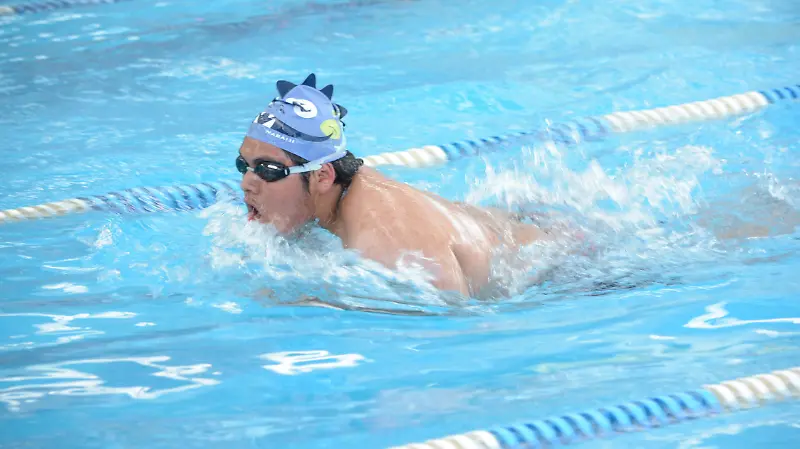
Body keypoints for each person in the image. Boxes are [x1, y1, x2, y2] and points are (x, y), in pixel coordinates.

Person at [236, 73, 552, 297]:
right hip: (513, 227)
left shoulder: (386, 240)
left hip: (563, 269)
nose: (247, 183)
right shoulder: (345, 189)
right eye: (245, 166)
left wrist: (316, 301)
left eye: (268, 170)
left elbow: (453, 311)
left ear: (322, 176)